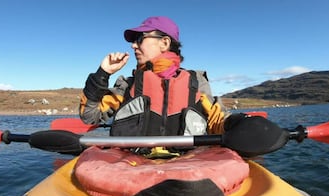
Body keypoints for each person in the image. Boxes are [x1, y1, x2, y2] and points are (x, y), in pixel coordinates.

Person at [79, 16, 233, 140]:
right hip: (132, 169)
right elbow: (89, 116)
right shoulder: (127, 86)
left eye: (140, 38)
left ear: (164, 43)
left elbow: (218, 122)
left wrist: (238, 124)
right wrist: (103, 74)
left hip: (185, 166)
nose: (133, 45)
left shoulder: (196, 82)